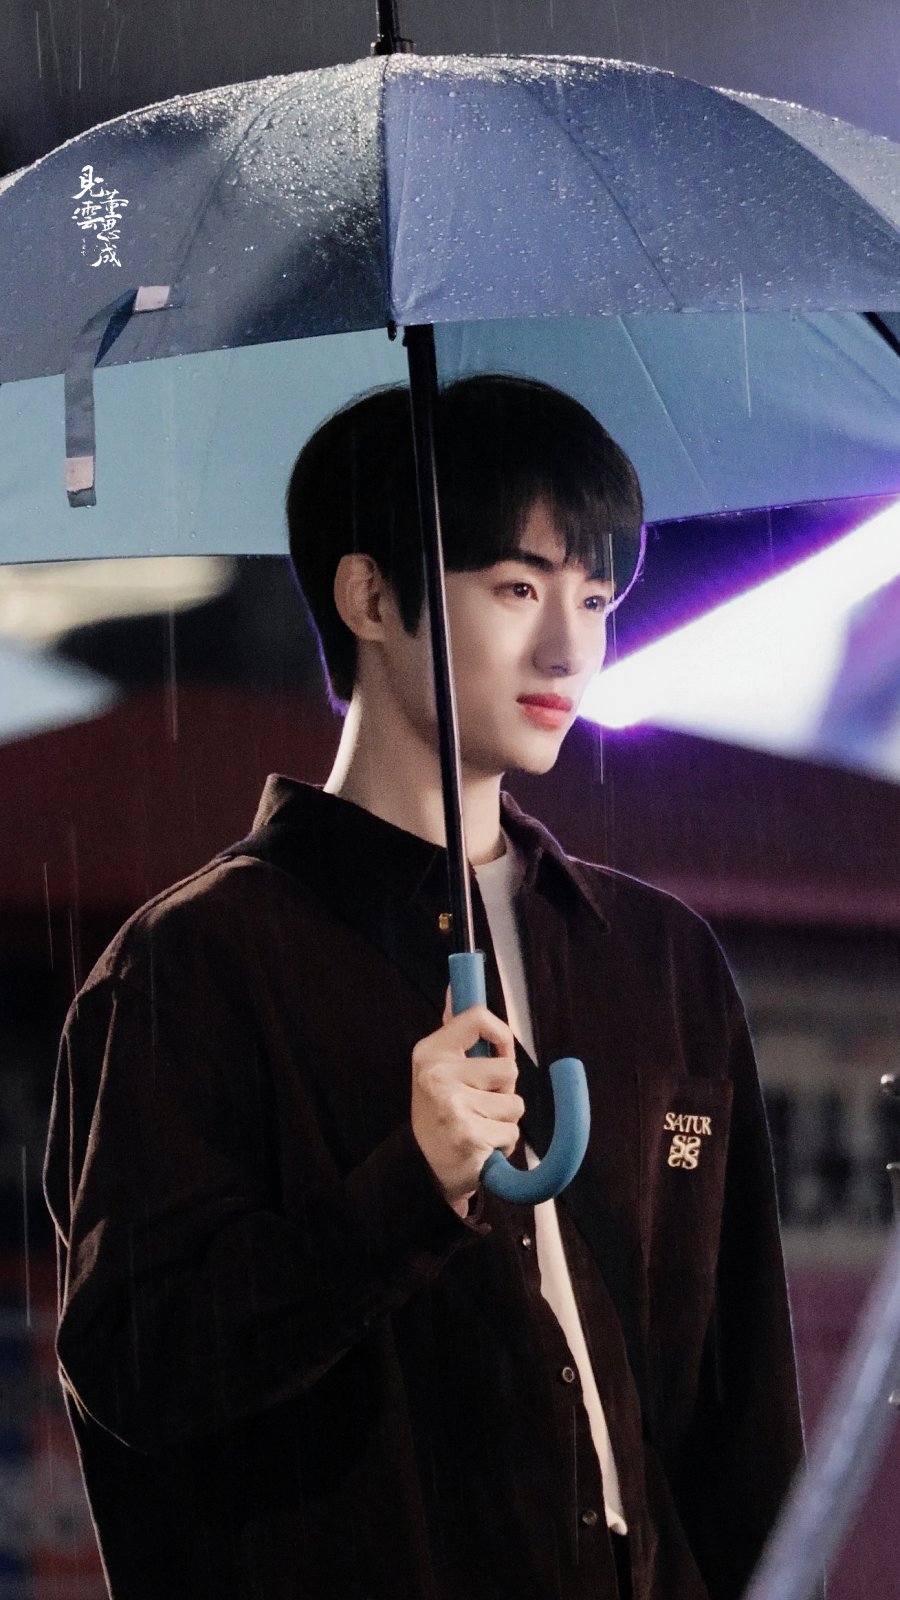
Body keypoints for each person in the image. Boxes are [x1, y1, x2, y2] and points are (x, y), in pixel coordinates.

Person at [44, 376, 803, 1600]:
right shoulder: (196, 964)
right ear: (370, 597)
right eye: (516, 587)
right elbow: (138, 1372)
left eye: (595, 597)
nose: (571, 649)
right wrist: (403, 1188)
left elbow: (742, 1406)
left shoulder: (658, 962)